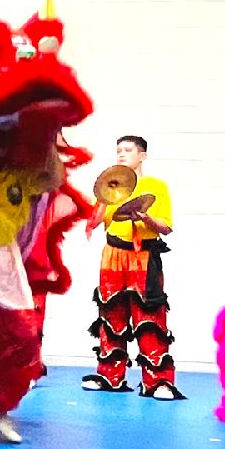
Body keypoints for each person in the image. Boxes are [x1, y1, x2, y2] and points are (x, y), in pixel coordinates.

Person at [83, 135, 183, 400]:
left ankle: (159, 382)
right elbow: (93, 222)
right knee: (111, 314)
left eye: (127, 150)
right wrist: (104, 195)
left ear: (142, 156)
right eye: (118, 150)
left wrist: (145, 217)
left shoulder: (156, 186)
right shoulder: (109, 186)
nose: (121, 154)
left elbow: (166, 228)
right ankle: (110, 375)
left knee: (149, 317)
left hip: (143, 256)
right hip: (113, 254)